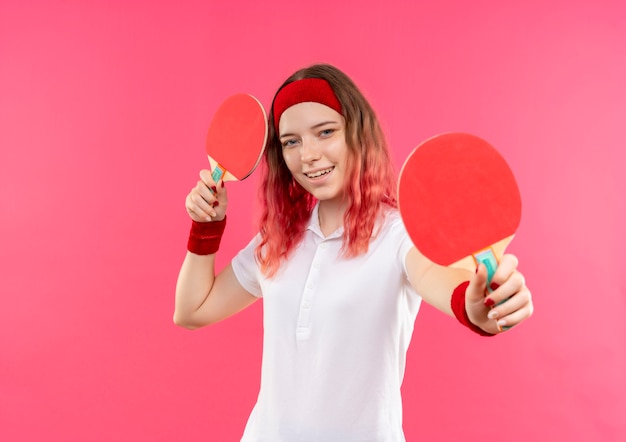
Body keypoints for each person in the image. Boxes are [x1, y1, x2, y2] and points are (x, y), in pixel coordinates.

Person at [174, 63, 533, 441]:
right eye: (290, 141)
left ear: (357, 135)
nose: (308, 154)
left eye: (325, 132)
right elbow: (192, 310)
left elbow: (453, 291)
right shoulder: (277, 240)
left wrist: (484, 306)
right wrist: (207, 226)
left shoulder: (397, 236)